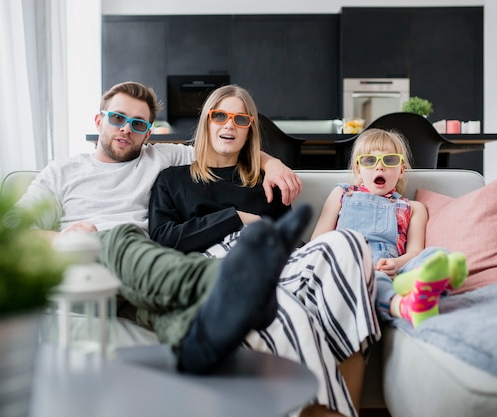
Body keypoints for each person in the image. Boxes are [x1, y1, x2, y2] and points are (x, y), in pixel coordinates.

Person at [6, 80, 312, 374]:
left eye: (138, 124)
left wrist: (273, 164)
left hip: (141, 277)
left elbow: (225, 145)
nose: (126, 128)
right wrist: (61, 238)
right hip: (87, 261)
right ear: (99, 121)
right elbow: (12, 227)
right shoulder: (62, 172)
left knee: (178, 321)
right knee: (120, 236)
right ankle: (223, 281)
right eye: (117, 118)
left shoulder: (161, 157)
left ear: (148, 133)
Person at [148, 84, 381, 416]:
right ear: (206, 122)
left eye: (240, 120)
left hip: (278, 262)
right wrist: (236, 217)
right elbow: (163, 237)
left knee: (350, 244)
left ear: (248, 131)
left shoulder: (266, 181)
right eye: (220, 117)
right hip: (220, 266)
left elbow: (289, 242)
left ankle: (347, 407)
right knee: (287, 311)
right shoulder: (172, 179)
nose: (229, 125)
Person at [311, 128, 469, 328]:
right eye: (370, 161)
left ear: (401, 169)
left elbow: (415, 251)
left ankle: (424, 280)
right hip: (354, 266)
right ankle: (407, 304)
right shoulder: (342, 194)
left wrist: (396, 263)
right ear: (358, 169)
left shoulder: (413, 208)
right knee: (374, 279)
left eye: (390, 160)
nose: (380, 168)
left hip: (396, 267)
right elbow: (317, 242)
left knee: (435, 255)